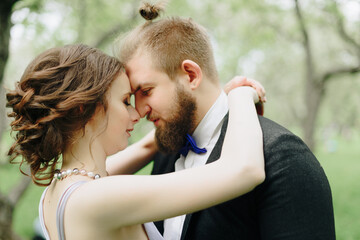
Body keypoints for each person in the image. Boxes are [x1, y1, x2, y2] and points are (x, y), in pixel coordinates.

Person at [113, 2, 336, 240]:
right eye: (132, 97)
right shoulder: (167, 147)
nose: (139, 110)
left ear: (191, 75)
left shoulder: (283, 157)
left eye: (146, 90)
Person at [6, 44, 266, 240]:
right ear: (83, 110)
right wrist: (240, 95)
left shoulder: (55, 192)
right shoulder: (98, 198)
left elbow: (145, 147)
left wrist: (185, 112)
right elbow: (244, 170)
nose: (136, 113)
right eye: (125, 101)